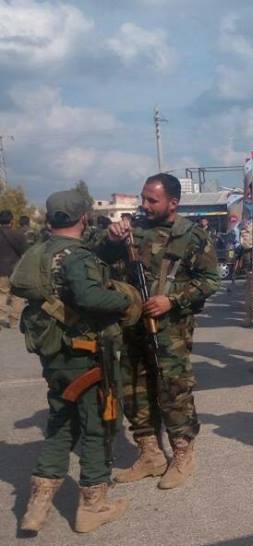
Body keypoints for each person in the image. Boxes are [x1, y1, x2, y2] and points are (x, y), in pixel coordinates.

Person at [13, 190, 140, 534]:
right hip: (84, 354)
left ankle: (36, 509)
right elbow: (88, 296)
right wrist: (125, 299)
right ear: (83, 218)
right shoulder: (76, 256)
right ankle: (93, 506)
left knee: (60, 422)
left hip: (53, 354)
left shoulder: (39, 251)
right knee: (97, 424)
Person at [95, 173, 220, 490]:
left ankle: (182, 455)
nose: (145, 205)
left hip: (170, 330)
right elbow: (97, 258)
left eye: (153, 200)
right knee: (134, 390)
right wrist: (110, 239)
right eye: (143, 198)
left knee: (173, 390)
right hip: (131, 325)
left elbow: (209, 281)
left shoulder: (190, 236)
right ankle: (150, 454)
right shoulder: (130, 231)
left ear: (173, 203)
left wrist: (171, 300)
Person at [0, 209, 28, 329]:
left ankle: (1, 316)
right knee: (18, 295)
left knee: (2, 293)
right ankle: (13, 320)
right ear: (11, 221)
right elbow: (25, 253)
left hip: (1, 270)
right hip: (15, 270)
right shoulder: (18, 235)